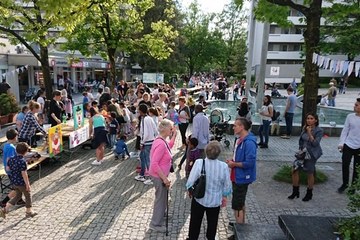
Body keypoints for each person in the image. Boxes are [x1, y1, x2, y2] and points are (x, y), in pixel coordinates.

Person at [186, 141, 232, 240]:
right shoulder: (224, 166)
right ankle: (210, 238)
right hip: (215, 201)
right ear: (218, 153)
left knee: (195, 221)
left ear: (206, 151)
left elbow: (190, 181)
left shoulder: (199, 163)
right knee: (213, 222)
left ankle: (192, 238)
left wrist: (189, 190)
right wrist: (224, 196)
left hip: (199, 199)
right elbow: (227, 185)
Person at [148, 119, 177, 233]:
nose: (172, 130)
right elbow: (154, 164)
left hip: (160, 175)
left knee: (163, 197)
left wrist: (174, 135)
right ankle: (155, 223)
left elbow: (169, 146)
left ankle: (161, 215)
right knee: (160, 199)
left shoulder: (162, 140)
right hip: (158, 176)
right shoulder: (160, 143)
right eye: (170, 128)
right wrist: (164, 179)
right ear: (164, 129)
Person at [227, 117, 256, 225]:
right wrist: (232, 161)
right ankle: (241, 226)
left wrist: (233, 164)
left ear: (242, 127)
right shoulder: (240, 139)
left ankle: (239, 230)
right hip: (237, 175)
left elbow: (249, 163)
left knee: (237, 205)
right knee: (240, 202)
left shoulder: (249, 143)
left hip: (242, 177)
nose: (233, 127)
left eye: (235, 125)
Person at [288, 113, 323, 201]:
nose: (309, 120)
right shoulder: (304, 128)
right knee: (294, 170)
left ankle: (309, 193)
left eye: (311, 118)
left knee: (310, 173)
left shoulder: (319, 130)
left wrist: (309, 133)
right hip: (303, 153)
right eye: (308, 118)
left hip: (312, 154)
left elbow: (315, 143)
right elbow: (301, 140)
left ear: (316, 120)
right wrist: (300, 149)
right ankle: (295, 191)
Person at [0, 142, 38, 219]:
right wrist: (27, 184)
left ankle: (5, 209)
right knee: (28, 195)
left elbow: (8, 168)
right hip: (21, 182)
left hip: (14, 181)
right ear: (26, 152)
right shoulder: (22, 161)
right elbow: (24, 174)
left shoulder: (11, 159)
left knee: (18, 196)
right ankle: (29, 211)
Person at [337, 98, 360, 194]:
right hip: (348, 145)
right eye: (355, 104)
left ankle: (353, 187)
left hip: (359, 147)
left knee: (357, 168)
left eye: (356, 105)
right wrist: (341, 143)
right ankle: (344, 184)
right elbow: (345, 130)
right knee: (345, 165)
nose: (354, 106)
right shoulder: (350, 116)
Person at [1, 129, 26, 208]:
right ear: (14, 137)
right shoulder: (11, 148)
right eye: (17, 136)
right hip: (12, 171)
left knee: (17, 187)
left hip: (9, 169)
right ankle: (4, 201)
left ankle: (19, 200)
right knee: (17, 188)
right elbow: (11, 159)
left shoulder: (6, 145)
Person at [134, 104, 158, 184]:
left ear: (141, 111)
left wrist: (142, 142)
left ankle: (151, 177)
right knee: (142, 157)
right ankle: (142, 174)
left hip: (147, 142)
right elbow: (155, 130)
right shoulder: (150, 118)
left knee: (147, 160)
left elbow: (145, 133)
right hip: (150, 141)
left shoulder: (144, 119)